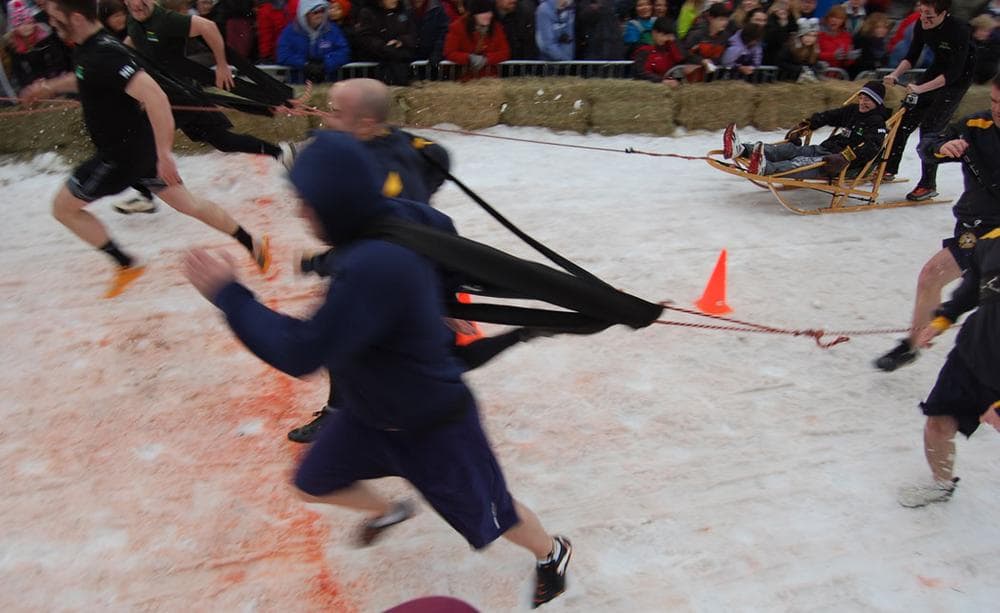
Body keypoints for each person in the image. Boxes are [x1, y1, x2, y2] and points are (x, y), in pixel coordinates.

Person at [182, 131, 573, 609]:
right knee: (314, 483)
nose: (300, 213)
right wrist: (432, 302)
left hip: (435, 427)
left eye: (307, 203)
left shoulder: (374, 265)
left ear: (336, 203)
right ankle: (392, 509)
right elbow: (439, 235)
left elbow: (302, 351)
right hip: (369, 417)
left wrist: (230, 294)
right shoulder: (382, 226)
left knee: (499, 516)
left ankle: (552, 554)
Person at [20, 0, 270, 298]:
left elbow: (156, 97)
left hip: (120, 158)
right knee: (189, 204)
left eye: (56, 18)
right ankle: (251, 243)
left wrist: (165, 155)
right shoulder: (92, 48)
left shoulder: (105, 52)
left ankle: (125, 263)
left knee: (62, 208)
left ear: (76, 17)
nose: (51, 23)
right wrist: (49, 88)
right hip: (140, 151)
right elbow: (89, 76)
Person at [897, 93, 1000, 505]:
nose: (997, 109)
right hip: (972, 353)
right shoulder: (990, 247)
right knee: (937, 422)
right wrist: (938, 323)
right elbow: (971, 289)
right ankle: (942, 484)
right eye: (994, 100)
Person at [876, 74, 1000, 372]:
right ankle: (912, 344)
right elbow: (929, 142)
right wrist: (941, 148)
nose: (998, 110)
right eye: (995, 101)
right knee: (932, 275)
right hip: (976, 229)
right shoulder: (977, 126)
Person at [121, 0, 292, 213]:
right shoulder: (133, 20)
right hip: (167, 95)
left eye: (141, 0)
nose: (136, 4)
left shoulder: (165, 20)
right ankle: (279, 151)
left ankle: (146, 195)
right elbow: (133, 40)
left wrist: (221, 65)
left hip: (181, 95)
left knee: (139, 139)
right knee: (222, 141)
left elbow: (207, 27)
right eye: (130, 1)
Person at [881, 0, 976, 202]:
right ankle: (888, 168)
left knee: (930, 130)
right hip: (936, 70)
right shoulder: (920, 22)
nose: (924, 18)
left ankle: (927, 184)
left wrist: (920, 88)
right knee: (904, 120)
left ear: (944, 14)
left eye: (929, 15)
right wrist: (895, 74)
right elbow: (912, 55)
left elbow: (953, 74)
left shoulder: (958, 30)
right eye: (922, 13)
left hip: (957, 79)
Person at [722, 80, 890, 179]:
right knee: (791, 150)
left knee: (801, 162)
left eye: (868, 100)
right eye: (861, 98)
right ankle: (744, 149)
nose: (862, 102)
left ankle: (767, 168)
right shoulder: (853, 110)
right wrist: (807, 124)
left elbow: (871, 148)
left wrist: (844, 157)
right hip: (826, 149)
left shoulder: (876, 123)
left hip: (841, 162)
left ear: (877, 102)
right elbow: (829, 116)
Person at [276, 0, 351, 84]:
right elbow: (283, 55)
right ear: (305, 13)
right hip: (298, 84)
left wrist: (325, 64)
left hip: (328, 83)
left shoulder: (333, 30)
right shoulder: (290, 32)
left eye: (322, 11)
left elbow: (343, 51)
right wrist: (305, 64)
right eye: (315, 12)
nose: (319, 15)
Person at [4, 0, 71, 90]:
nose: (26, 27)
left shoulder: (46, 37)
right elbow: (19, 72)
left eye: (28, 23)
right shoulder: (13, 47)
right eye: (20, 25)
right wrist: (31, 84)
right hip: (35, 88)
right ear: (15, 29)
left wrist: (49, 79)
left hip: (55, 80)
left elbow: (58, 59)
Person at [353, 0, 417, 86]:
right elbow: (365, 37)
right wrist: (385, 48)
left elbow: (413, 34)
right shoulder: (368, 13)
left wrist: (401, 41)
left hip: (401, 63)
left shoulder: (404, 11)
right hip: (374, 66)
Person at [443, 0, 511, 80]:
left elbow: (505, 52)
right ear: (474, 14)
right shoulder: (458, 27)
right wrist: (469, 58)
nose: (487, 16)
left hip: (490, 80)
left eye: (490, 12)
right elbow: (449, 52)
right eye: (482, 13)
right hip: (463, 81)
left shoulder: (496, 28)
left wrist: (486, 59)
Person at [632, 16, 683, 85]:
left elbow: (678, 67)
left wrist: (677, 80)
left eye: (669, 36)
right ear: (654, 33)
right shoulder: (644, 51)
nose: (666, 39)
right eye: (663, 35)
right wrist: (661, 81)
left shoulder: (672, 50)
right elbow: (641, 72)